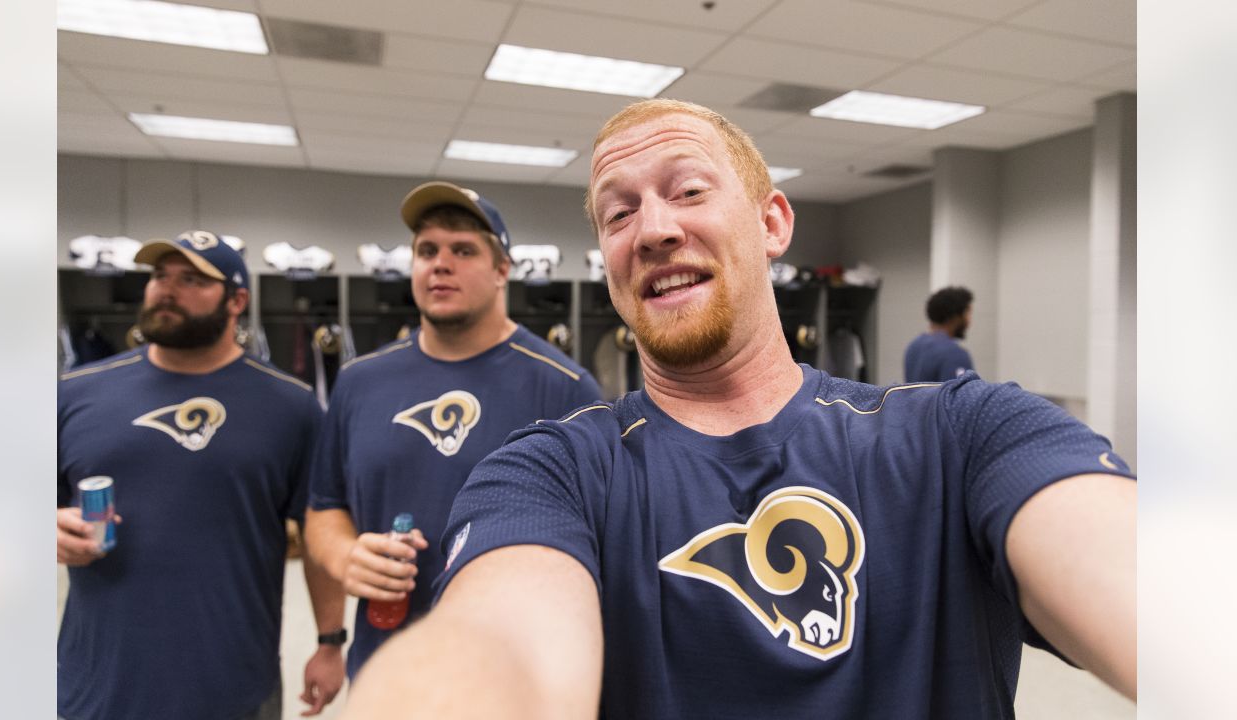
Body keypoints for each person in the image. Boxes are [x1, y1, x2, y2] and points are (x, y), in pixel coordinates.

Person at [341, 100, 1137, 719]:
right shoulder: (549, 473)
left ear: (772, 223)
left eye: (688, 190)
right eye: (618, 213)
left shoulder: (961, 435)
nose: (653, 228)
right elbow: (502, 644)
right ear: (609, 268)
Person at [303, 182, 603, 682]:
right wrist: (346, 554)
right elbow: (324, 506)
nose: (440, 263)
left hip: (511, 679)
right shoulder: (359, 381)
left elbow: (598, 547)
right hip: (385, 670)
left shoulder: (566, 388)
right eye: (427, 250)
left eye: (463, 250)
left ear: (502, 270)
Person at [57, 231, 346, 719]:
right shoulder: (76, 393)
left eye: (192, 279)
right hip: (100, 682)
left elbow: (321, 533)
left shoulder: (292, 407)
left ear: (238, 301)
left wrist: (330, 642)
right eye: (160, 276)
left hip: (232, 683)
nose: (167, 290)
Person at [904, 286, 975, 382]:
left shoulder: (914, 346)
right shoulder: (954, 354)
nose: (969, 321)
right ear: (955, 316)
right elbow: (960, 395)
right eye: (967, 313)